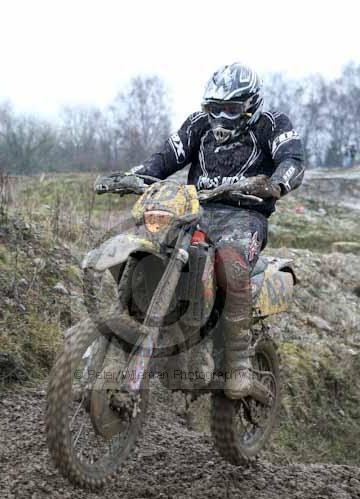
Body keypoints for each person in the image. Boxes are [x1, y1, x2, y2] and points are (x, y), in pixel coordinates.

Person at [128, 62, 305, 399]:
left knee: (230, 263)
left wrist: (278, 182)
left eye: (232, 108)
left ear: (250, 105)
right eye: (215, 108)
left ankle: (238, 361)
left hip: (245, 217)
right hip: (197, 212)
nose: (222, 116)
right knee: (152, 249)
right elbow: (166, 157)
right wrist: (135, 176)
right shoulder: (198, 124)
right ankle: (146, 326)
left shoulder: (271, 124)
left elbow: (292, 159)